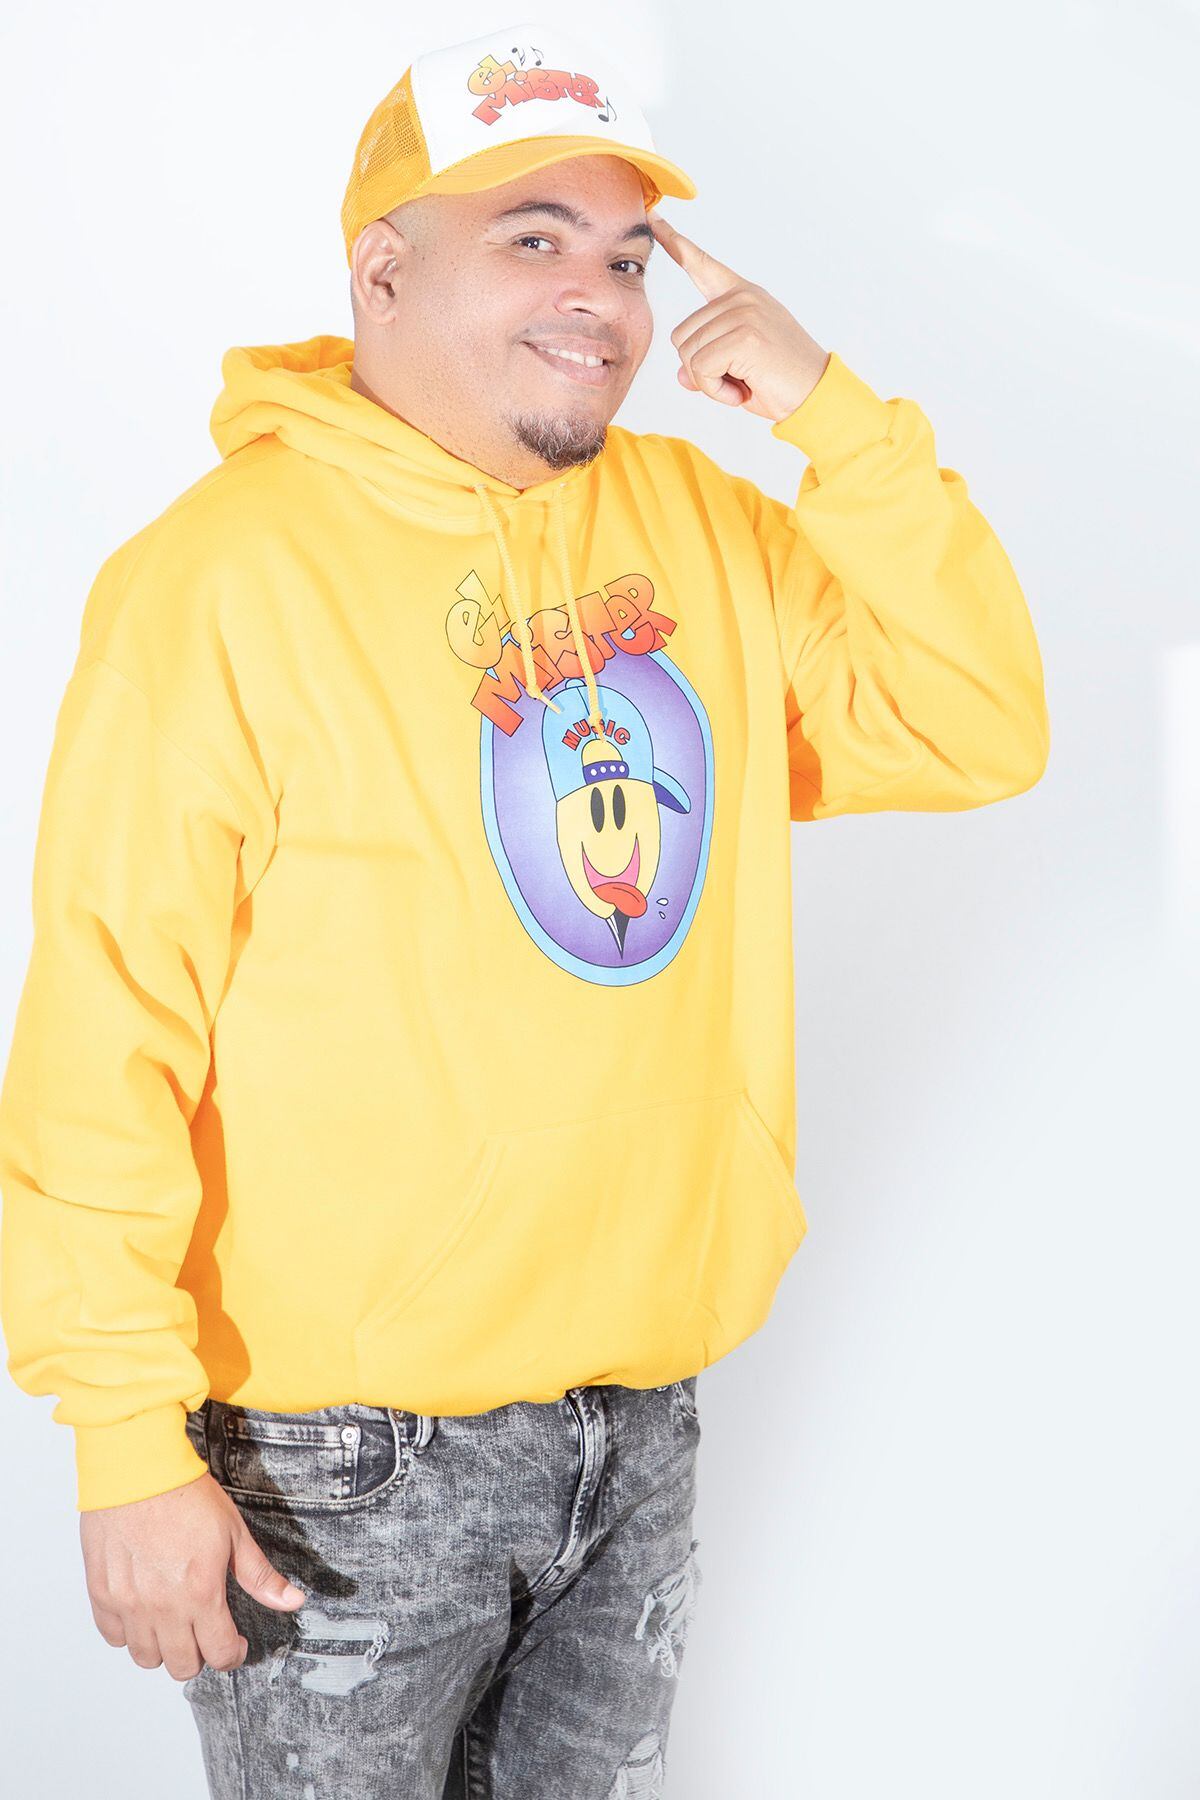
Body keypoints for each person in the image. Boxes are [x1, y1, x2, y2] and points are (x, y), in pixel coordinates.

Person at [0, 18, 1050, 1799]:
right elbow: (109, 1024)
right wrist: (121, 1436)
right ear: (383, 271)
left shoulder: (700, 524)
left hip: (634, 1424)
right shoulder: (218, 580)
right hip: (337, 1459)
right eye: (534, 238)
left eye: (629, 256)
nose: (600, 299)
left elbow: (977, 726)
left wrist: (838, 424)